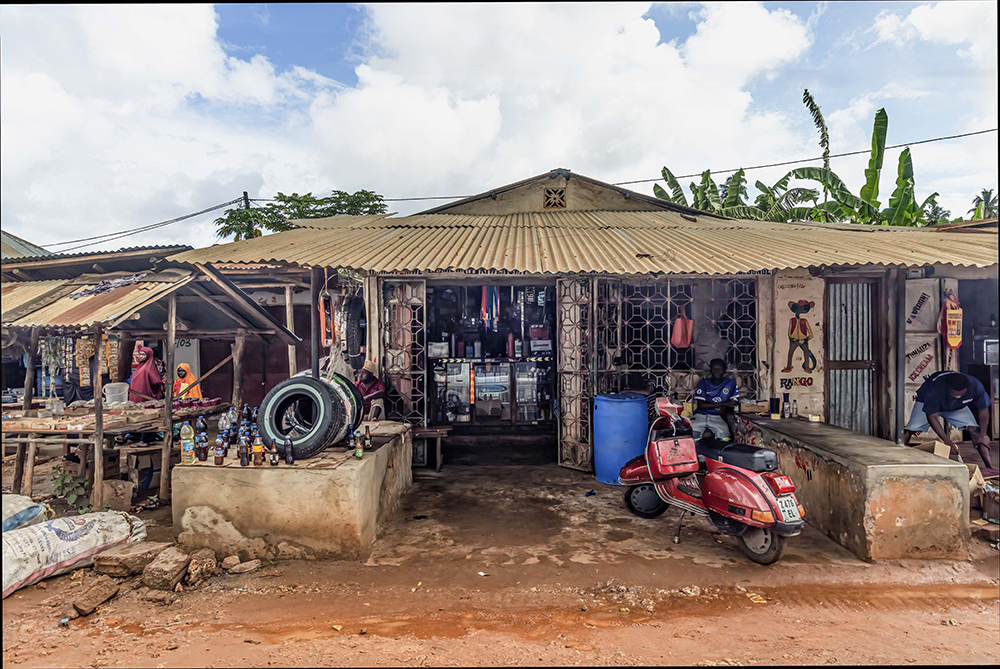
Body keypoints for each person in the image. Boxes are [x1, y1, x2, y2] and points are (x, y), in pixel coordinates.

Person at [903, 371, 992, 468]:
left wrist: (983, 434)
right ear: (948, 388)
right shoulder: (934, 389)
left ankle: (989, 467)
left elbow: (983, 409)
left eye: (961, 395)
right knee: (911, 429)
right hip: (926, 402)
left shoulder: (975, 385)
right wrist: (947, 440)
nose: (958, 396)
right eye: (955, 395)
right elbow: (932, 417)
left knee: (975, 431)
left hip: (956, 406)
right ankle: (901, 459)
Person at [690, 358, 739, 441]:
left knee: (725, 436)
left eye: (719, 369)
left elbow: (732, 403)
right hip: (700, 416)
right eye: (714, 369)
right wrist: (723, 403)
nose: (716, 371)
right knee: (692, 435)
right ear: (711, 370)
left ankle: (720, 454)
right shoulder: (704, 382)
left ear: (724, 370)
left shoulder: (731, 383)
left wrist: (725, 407)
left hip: (717, 417)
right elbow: (701, 405)